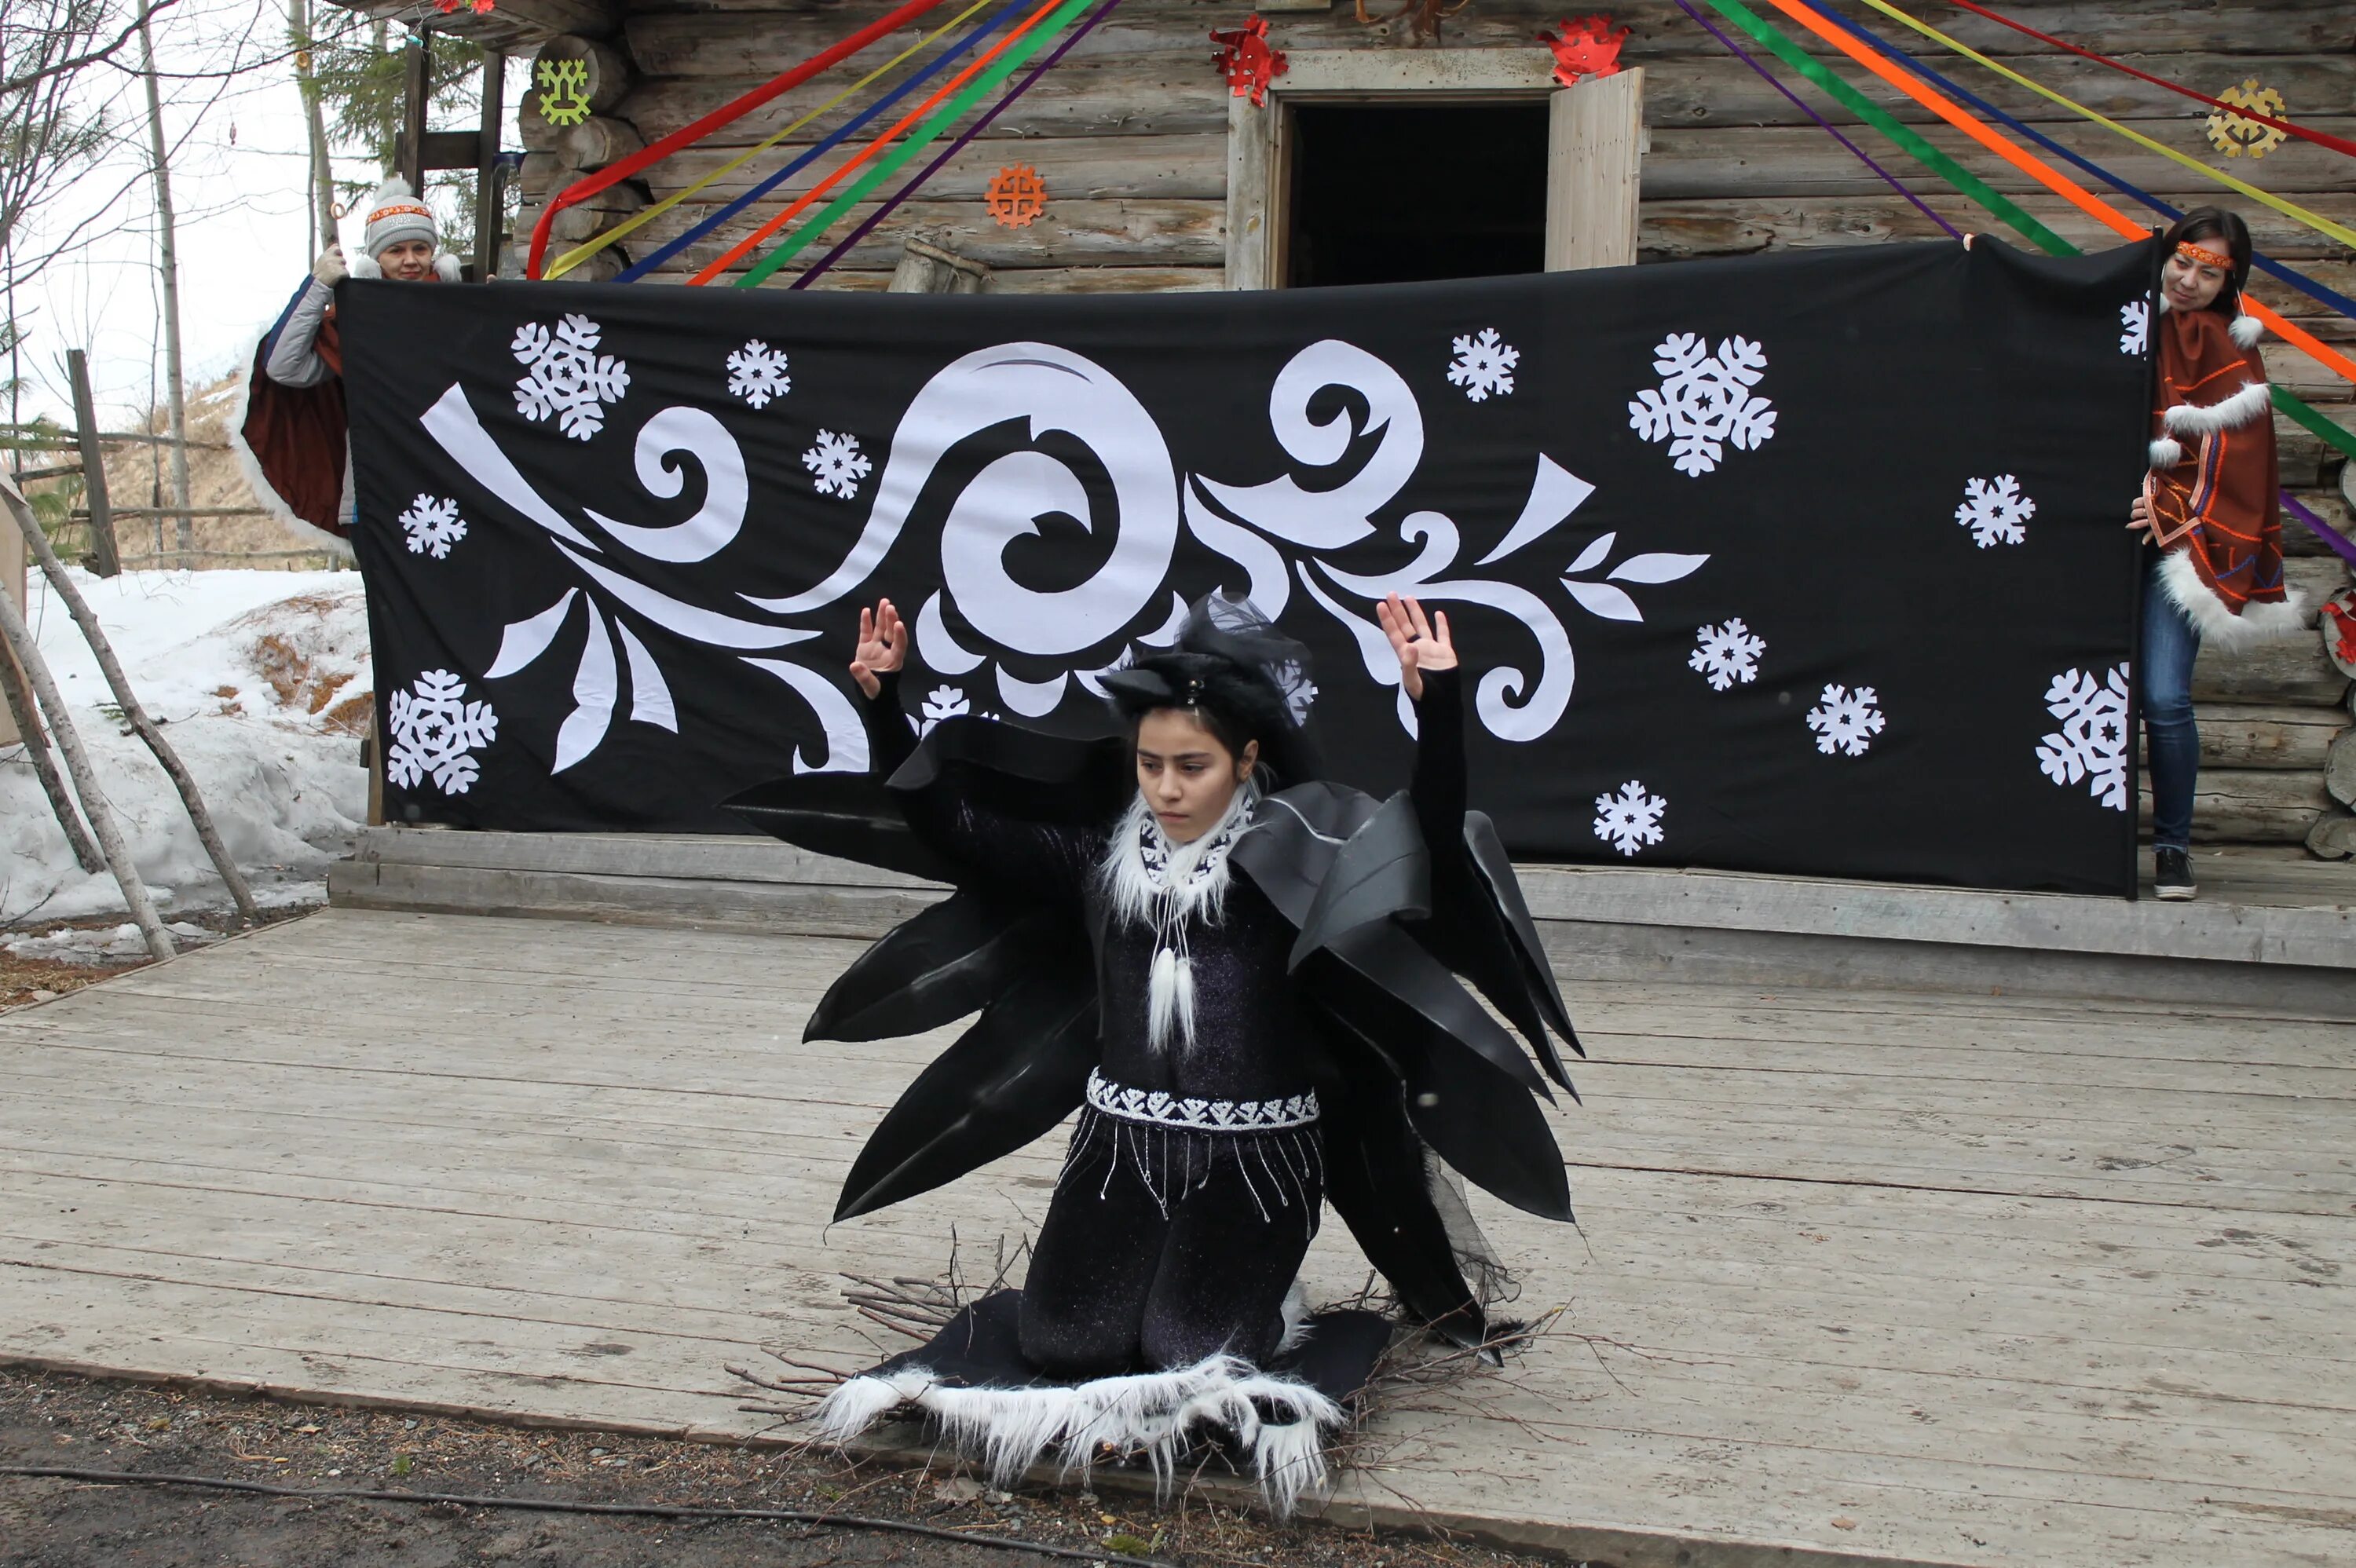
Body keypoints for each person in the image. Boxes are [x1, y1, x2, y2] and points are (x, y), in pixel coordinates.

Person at [729, 591, 1579, 1514]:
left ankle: (1254, 1273)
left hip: (1253, 1160)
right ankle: (1190, 1268)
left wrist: (1438, 706)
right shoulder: (1102, 857)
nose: (1168, 788)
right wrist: (884, 705)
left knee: (1187, 1347)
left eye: (1194, 766)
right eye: (1150, 764)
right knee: (1065, 1342)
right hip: (1121, 1147)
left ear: (1247, 760)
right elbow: (955, 829)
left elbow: (1429, 848)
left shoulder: (1295, 857)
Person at [2127, 207, 2303, 901]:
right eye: (2183, 261)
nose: (2190, 280)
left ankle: (2171, 848)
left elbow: (2242, 464)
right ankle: (2072, 839)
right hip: (2091, 534)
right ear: (2166, 255)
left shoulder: (2233, 350)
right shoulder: (2115, 318)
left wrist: (2168, 508)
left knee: (2164, 698)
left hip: (2181, 548)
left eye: (2210, 270)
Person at [231, 177, 461, 546]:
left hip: (457, 486)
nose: (409, 261)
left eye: (420, 248)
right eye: (395, 250)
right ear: (376, 260)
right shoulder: (353, 328)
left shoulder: (461, 314)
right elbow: (283, 366)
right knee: (390, 604)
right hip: (376, 493)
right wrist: (319, 285)